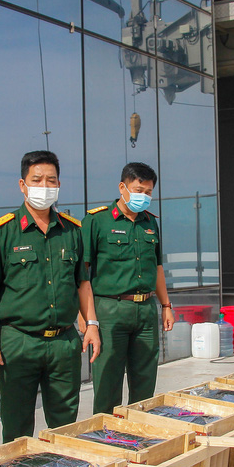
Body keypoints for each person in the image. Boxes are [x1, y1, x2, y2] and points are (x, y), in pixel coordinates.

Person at [0, 150, 101, 442]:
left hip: (64, 343)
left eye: (51, 180)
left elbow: (83, 284)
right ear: (22, 184)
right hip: (19, 342)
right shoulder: (2, 232)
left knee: (65, 426)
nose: (44, 186)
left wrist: (92, 324)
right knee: (16, 426)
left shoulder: (72, 230)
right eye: (37, 179)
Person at [82, 162, 174, 414]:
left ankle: (138, 433)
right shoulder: (97, 220)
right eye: (138, 190)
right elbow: (82, 273)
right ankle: (104, 437)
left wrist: (166, 305)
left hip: (145, 310)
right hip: (110, 310)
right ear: (123, 187)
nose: (143, 197)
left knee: (145, 378)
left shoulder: (150, 223)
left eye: (148, 192)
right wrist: (85, 316)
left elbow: (156, 267)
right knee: (108, 380)